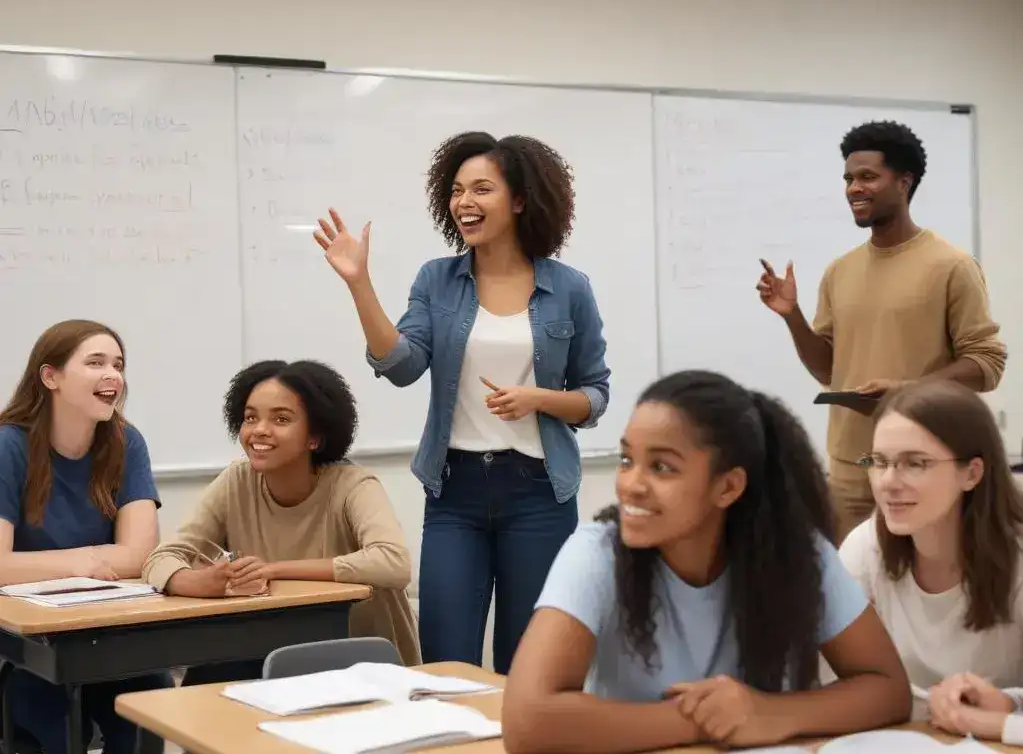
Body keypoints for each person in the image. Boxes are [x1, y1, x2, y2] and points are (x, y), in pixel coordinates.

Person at [313, 131, 610, 673]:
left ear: (519, 199)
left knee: (528, 664)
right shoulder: (437, 280)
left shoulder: (570, 288)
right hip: (456, 492)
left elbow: (595, 396)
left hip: (540, 495)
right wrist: (359, 284)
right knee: (446, 660)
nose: (464, 203)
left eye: (481, 190)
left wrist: (539, 399)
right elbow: (401, 367)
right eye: (455, 191)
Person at [501, 370, 910, 754]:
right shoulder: (597, 552)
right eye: (627, 460)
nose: (631, 485)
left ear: (728, 487)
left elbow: (888, 690)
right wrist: (702, 720)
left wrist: (769, 714)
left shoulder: (799, 554)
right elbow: (527, 720)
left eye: (661, 467)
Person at [757, 120, 1006, 542]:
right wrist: (791, 314)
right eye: (849, 179)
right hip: (849, 470)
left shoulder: (952, 266)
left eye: (868, 177)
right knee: (853, 598)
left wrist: (908, 390)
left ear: (904, 182)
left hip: (923, 464)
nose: (854, 188)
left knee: (921, 589)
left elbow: (987, 363)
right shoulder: (840, 271)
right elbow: (827, 371)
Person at [142, 359, 420, 679]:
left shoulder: (352, 485)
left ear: (314, 437)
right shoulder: (237, 480)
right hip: (271, 655)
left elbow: (393, 562)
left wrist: (273, 569)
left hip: (361, 661)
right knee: (205, 679)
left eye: (281, 419)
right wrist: (198, 582)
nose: (260, 430)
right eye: (250, 418)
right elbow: (162, 558)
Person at [0, 319, 170, 754]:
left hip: (101, 633)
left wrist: (41, 564)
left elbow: (139, 556)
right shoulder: (9, 446)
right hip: (21, 646)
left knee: (151, 699)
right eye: (95, 363)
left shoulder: (126, 442)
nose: (112, 375)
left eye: (118, 364)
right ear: (50, 376)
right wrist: (86, 561)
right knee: (55, 722)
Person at [839, 380, 1023, 724]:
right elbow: (826, 678)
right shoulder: (865, 548)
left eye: (915, 463)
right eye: (879, 462)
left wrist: (1003, 711)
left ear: (972, 473)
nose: (888, 482)